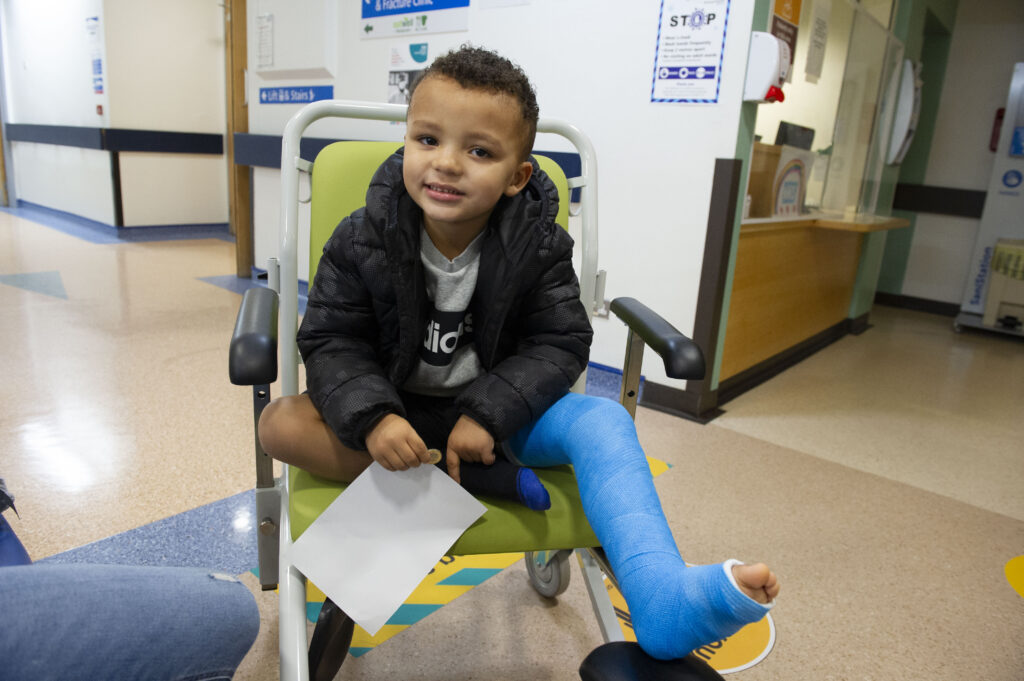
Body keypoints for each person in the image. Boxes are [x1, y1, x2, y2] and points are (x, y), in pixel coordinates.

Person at [258, 45, 780, 660]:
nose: (446, 164)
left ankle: (661, 597)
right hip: (401, 416)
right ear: (405, 144)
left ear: (517, 176)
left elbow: (560, 341)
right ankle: (484, 484)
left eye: (479, 151)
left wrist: (488, 413)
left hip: (503, 420)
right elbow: (330, 339)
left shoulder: (539, 245)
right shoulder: (360, 236)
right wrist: (374, 418)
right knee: (281, 422)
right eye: (427, 139)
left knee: (605, 419)